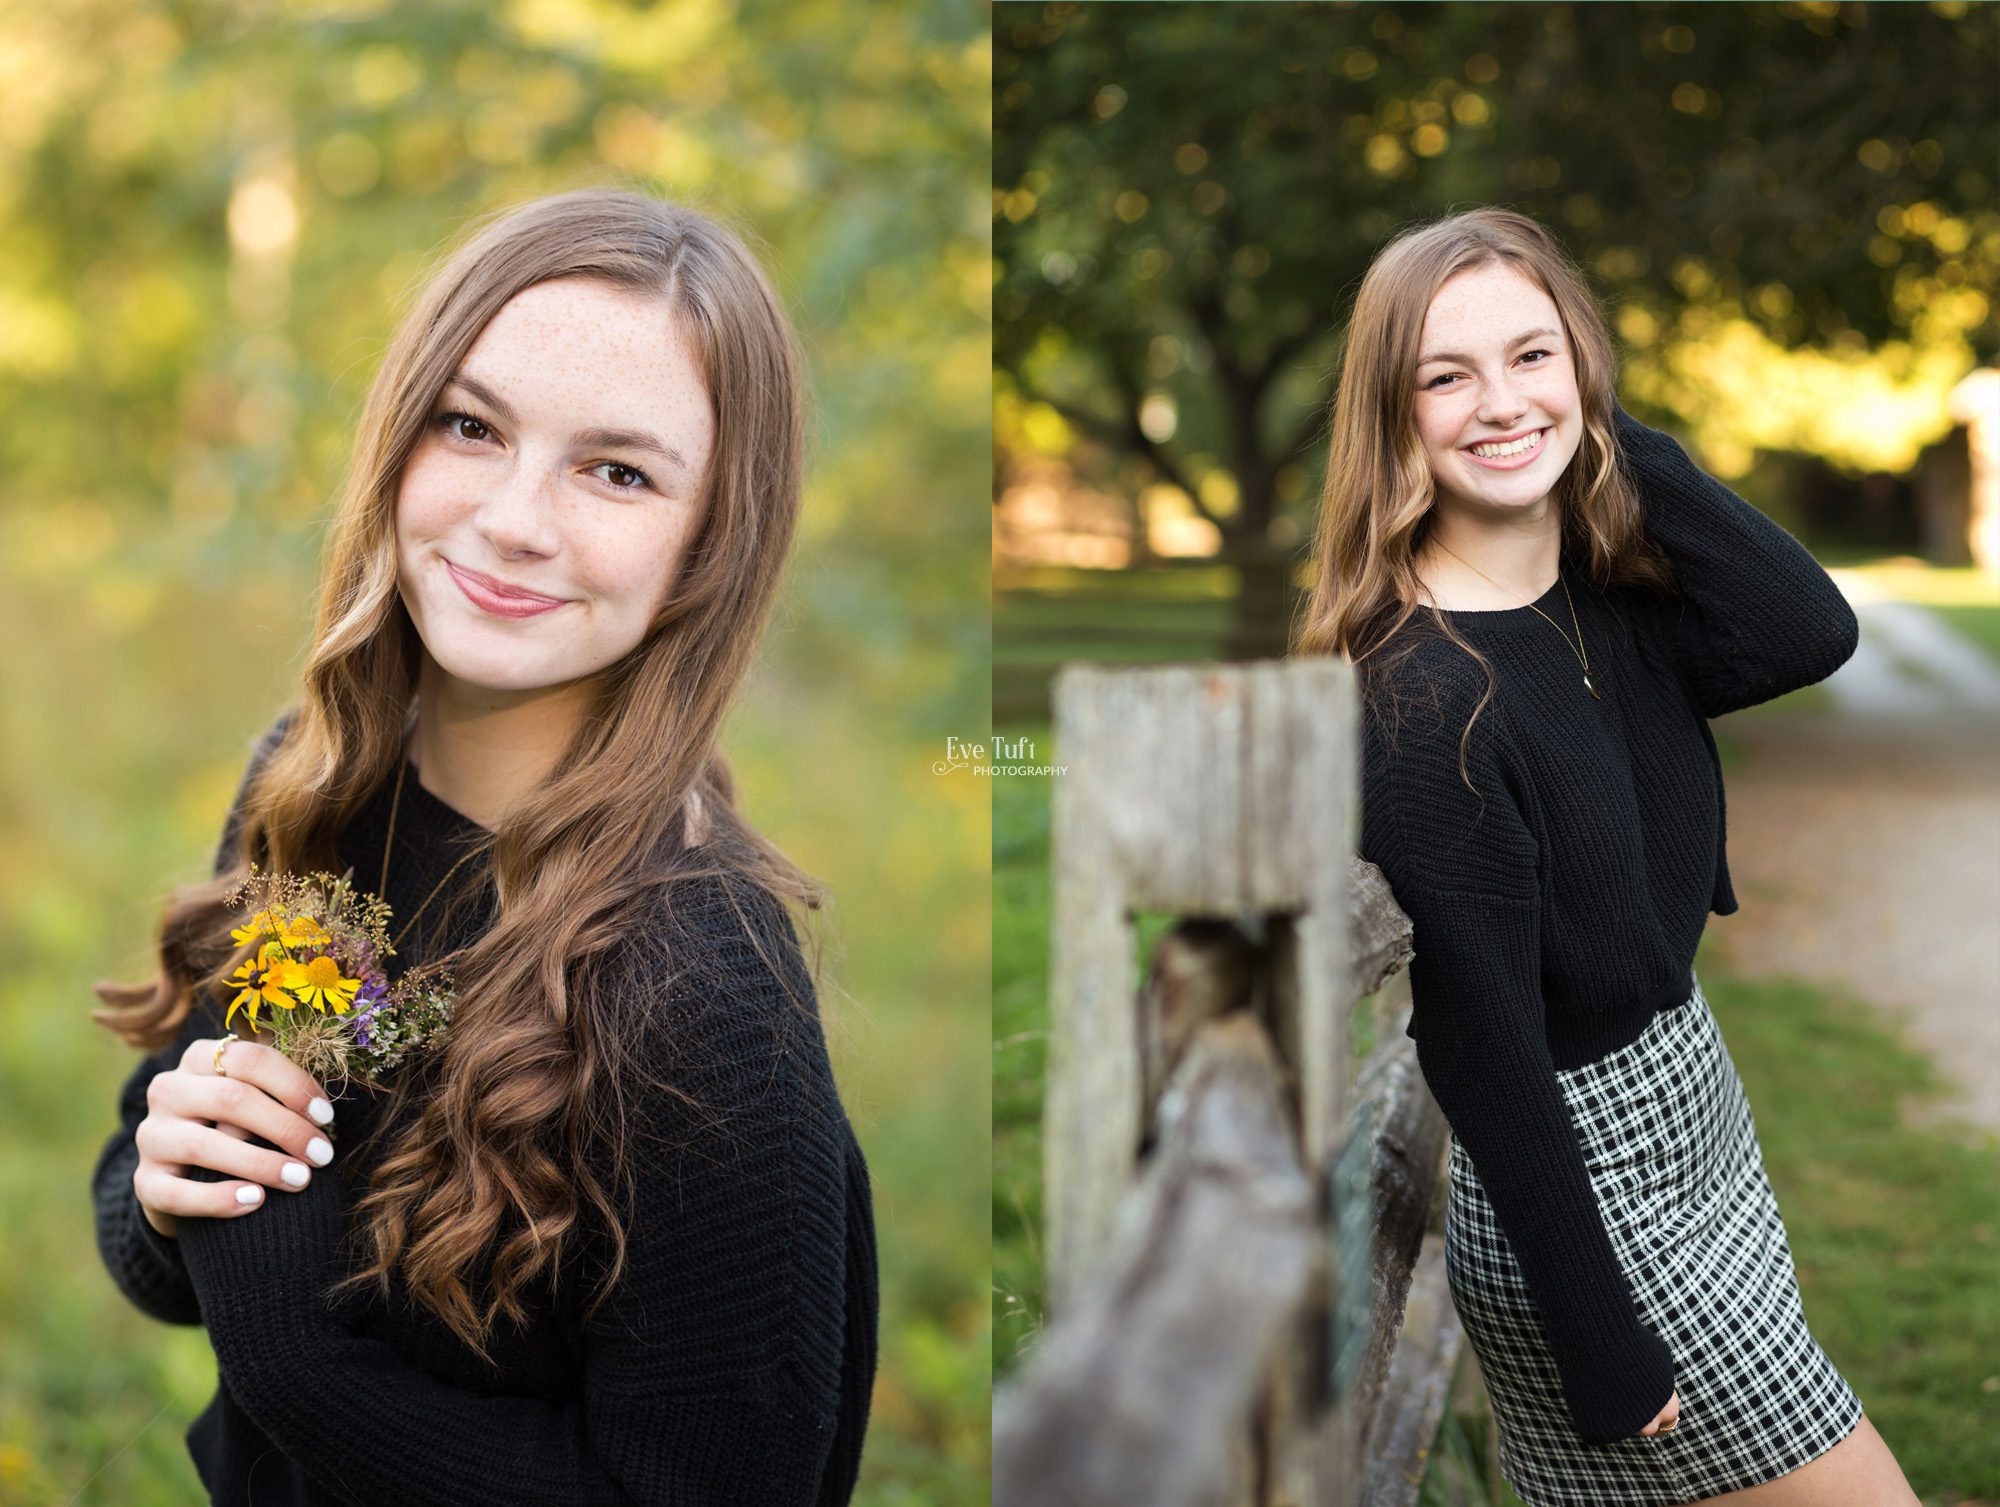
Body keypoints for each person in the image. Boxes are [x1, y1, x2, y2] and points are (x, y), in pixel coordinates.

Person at [89, 186, 877, 1507]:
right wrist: (172, 1194)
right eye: (471, 426)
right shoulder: (324, 798)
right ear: (396, 441)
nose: (517, 519)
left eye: (617, 470)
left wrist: (302, 1374)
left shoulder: (700, 1000)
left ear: (710, 542)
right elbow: (170, 1226)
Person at [1294, 207, 1918, 1505]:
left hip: (1696, 1115)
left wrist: (1593, 431)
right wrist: (1599, 1340)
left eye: (1533, 354)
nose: (1499, 401)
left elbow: (1808, 631)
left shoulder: (1599, 595)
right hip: (1600, 1197)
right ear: (1391, 414)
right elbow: (1484, 1046)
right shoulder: (1422, 705)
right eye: (1446, 377)